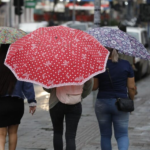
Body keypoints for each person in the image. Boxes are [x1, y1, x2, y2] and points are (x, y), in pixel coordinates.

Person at [93, 47, 136, 150]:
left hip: (102, 102)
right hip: (121, 104)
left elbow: (94, 87)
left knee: (105, 135)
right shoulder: (126, 64)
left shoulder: (99, 65)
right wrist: (131, 100)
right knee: (122, 135)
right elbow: (131, 87)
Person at [0, 44, 37, 150]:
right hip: (16, 104)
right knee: (13, 133)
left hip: (1, 103)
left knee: (1, 135)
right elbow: (28, 85)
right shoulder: (20, 63)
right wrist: (32, 101)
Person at [43, 78, 93, 150]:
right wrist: (80, 96)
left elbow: (47, 88)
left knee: (57, 133)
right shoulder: (82, 67)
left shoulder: (56, 67)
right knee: (71, 136)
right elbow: (89, 85)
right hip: (75, 103)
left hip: (56, 103)